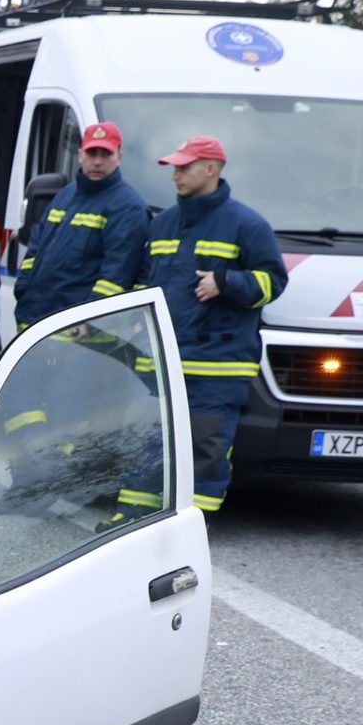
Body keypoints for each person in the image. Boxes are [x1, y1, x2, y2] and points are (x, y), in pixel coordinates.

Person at [99, 135, 286, 514]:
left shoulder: (247, 225)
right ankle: (131, 520)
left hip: (216, 367)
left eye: (184, 167)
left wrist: (228, 282)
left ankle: (190, 528)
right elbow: (145, 282)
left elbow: (274, 282)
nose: (176, 176)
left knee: (204, 451)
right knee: (147, 441)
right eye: (174, 168)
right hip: (163, 361)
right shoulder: (163, 224)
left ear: (211, 169)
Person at [16, 121, 149, 332]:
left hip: (81, 338)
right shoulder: (66, 195)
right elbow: (35, 249)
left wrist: (90, 323)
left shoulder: (128, 207)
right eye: (91, 153)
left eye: (106, 154)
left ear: (119, 157)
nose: (97, 161)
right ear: (80, 155)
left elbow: (116, 276)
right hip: (36, 322)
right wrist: (22, 288)